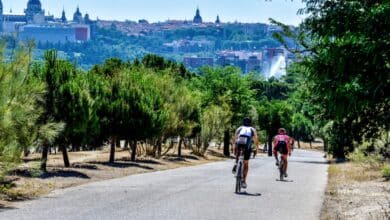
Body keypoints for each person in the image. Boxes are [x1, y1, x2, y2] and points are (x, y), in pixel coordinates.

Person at [232, 117, 259, 189]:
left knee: (238, 153)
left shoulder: (239, 128)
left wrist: (233, 147)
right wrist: (256, 148)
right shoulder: (252, 129)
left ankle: (236, 163)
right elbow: (256, 139)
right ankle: (243, 181)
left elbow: (235, 138)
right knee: (246, 163)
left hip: (239, 144)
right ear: (250, 123)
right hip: (247, 146)